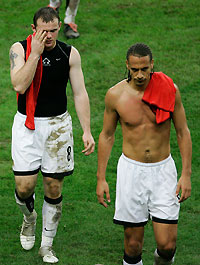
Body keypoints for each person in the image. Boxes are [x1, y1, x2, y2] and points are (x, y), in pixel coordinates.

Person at [9, 7, 95, 264]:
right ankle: (29, 218)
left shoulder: (69, 53)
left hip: (58, 126)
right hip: (27, 124)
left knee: (54, 186)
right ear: (33, 29)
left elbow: (80, 93)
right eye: (43, 31)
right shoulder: (19, 49)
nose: (48, 36)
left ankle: (47, 245)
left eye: (53, 30)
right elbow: (19, 85)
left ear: (60, 28)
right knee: (24, 187)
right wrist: (35, 55)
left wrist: (87, 131)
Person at [96, 43, 192, 265]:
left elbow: (182, 131)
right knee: (132, 246)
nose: (140, 75)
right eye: (134, 69)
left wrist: (186, 174)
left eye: (144, 69)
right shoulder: (115, 95)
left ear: (152, 65)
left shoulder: (170, 90)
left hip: (163, 171)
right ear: (127, 66)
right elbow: (107, 136)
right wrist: (101, 178)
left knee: (167, 246)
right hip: (131, 172)